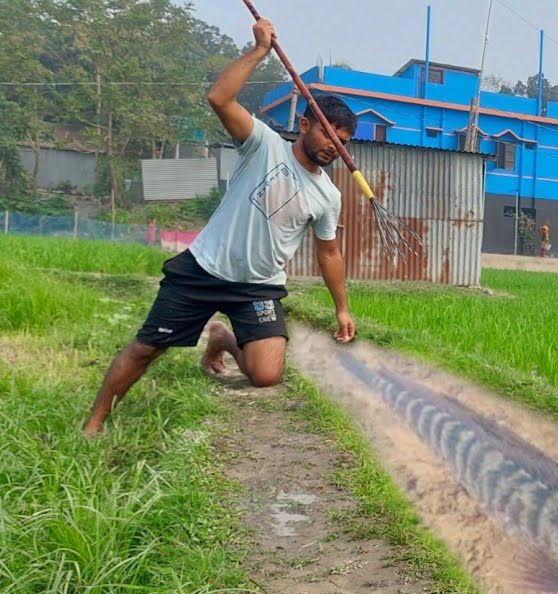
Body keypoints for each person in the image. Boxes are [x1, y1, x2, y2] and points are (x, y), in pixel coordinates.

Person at [82, 17, 357, 436]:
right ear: (304, 125)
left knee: (266, 375)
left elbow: (329, 253)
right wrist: (259, 51)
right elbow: (219, 98)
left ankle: (223, 338)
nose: (333, 147)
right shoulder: (263, 145)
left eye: (342, 142)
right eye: (327, 134)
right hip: (204, 269)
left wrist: (341, 308)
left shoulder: (329, 197)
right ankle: (94, 424)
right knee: (145, 349)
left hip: (258, 286)